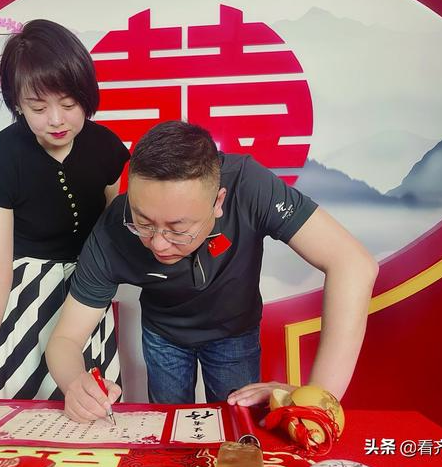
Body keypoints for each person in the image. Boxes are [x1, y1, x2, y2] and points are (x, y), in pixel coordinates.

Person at [45, 120, 378, 423]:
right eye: (143, 223)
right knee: (167, 429)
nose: (158, 243)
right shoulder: (112, 231)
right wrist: (75, 384)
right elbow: (64, 339)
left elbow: (353, 263)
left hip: (235, 330)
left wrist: (317, 402)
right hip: (164, 334)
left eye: (178, 229)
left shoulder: (248, 185)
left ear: (218, 202)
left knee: (240, 429)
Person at [0, 20, 130, 402]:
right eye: (38, 107)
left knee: (92, 406)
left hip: (88, 293)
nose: (56, 119)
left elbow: (111, 237)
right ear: (17, 103)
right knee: (16, 403)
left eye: (68, 104)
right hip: (24, 295)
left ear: (87, 95)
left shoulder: (107, 148)